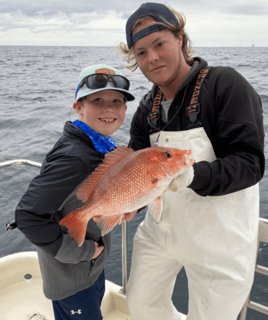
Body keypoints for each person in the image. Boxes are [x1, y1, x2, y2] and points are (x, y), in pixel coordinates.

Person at [118, 3, 265, 320]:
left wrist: (194, 176)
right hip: (161, 231)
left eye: (159, 44)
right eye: (141, 52)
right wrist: (128, 199)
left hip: (219, 242)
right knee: (141, 304)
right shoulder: (147, 107)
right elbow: (135, 165)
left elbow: (250, 162)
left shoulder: (225, 85)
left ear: (180, 38)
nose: (152, 58)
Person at [15, 64, 135, 320]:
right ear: (78, 107)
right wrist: (84, 253)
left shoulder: (94, 146)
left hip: (88, 266)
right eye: (98, 100)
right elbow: (28, 216)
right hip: (74, 276)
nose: (109, 108)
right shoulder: (75, 157)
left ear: (125, 109)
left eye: (117, 100)